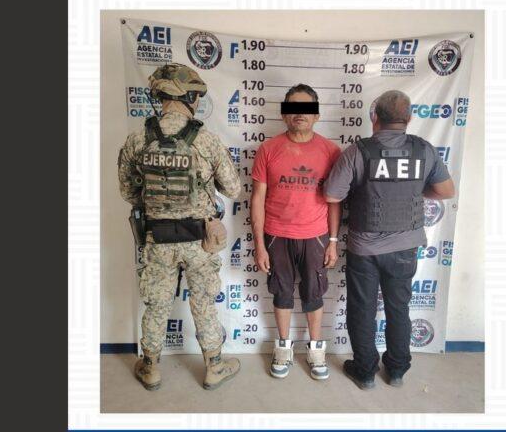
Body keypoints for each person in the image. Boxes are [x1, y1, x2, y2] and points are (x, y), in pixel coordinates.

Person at [117, 63, 242, 391]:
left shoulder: (138, 139)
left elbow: (128, 192)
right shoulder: (206, 141)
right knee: (203, 302)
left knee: (157, 304)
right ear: (189, 97)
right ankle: (214, 366)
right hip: (200, 241)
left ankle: (150, 369)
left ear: (161, 96)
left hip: (157, 239)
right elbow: (233, 189)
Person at [324, 90, 455, 389]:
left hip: (364, 248)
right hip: (405, 248)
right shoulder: (424, 149)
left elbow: (331, 195)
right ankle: (396, 371)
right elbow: (447, 191)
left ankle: (365, 372)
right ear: (409, 118)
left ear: (374, 117)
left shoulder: (357, 151)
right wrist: (415, 191)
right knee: (399, 309)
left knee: (362, 310)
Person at [250, 84, 341, 380]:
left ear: (316, 115)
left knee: (314, 293)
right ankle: (283, 348)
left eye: (306, 108)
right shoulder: (268, 150)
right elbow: (257, 199)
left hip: (316, 236)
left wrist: (332, 241)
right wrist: (259, 244)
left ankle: (316, 351)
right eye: (293, 108)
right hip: (277, 235)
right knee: (282, 292)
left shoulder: (331, 151)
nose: (299, 114)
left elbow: (334, 200)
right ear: (283, 114)